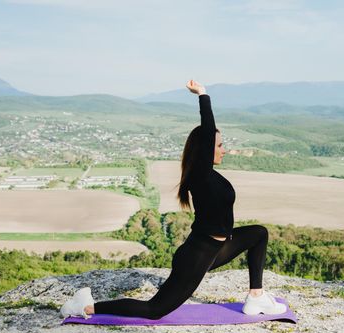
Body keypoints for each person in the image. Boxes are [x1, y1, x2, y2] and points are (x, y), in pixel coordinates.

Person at [60, 80, 286, 320]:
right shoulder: (200, 174)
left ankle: (256, 297)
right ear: (206, 148)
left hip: (218, 248)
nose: (224, 149)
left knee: (259, 233)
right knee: (154, 310)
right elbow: (208, 129)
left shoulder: (210, 174)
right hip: (197, 255)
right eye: (219, 145)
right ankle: (85, 306)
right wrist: (203, 95)